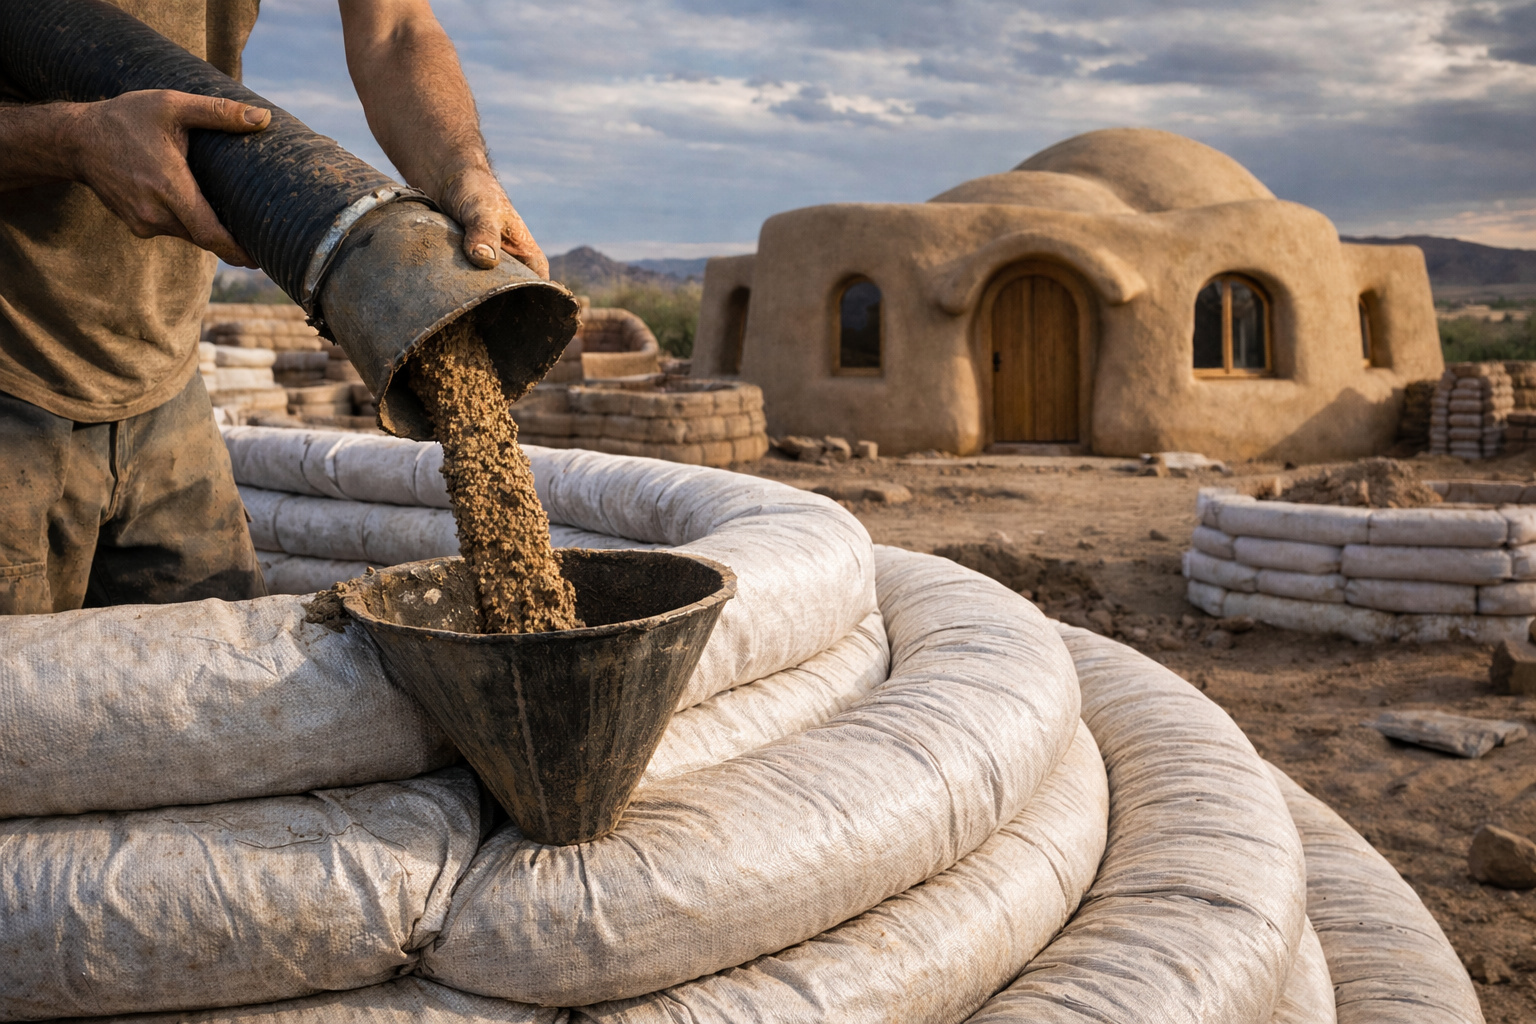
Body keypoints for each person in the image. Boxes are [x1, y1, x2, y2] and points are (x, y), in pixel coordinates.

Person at [0, 0, 546, 615]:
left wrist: (461, 169)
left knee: (221, 686)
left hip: (164, 375)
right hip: (14, 370)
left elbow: (393, 26)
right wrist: (67, 140)